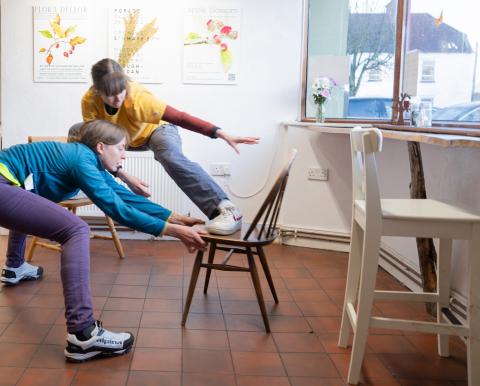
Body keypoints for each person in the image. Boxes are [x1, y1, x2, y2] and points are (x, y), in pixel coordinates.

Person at [0, 120, 207, 362]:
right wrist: (172, 231)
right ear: (100, 146)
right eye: (120, 148)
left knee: (27, 198)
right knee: (76, 229)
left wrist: (174, 217)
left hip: (8, 183)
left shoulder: (88, 160)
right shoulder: (81, 160)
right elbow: (117, 210)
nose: (124, 156)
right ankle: (83, 334)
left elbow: (123, 197)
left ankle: (15, 267)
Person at [73, 58, 259, 235]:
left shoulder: (138, 98)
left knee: (170, 156)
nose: (117, 99)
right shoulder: (89, 100)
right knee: (78, 132)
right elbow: (98, 143)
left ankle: (226, 209)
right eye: (110, 95)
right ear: (97, 91)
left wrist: (219, 133)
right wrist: (123, 174)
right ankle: (80, 182)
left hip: (156, 132)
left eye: (121, 91)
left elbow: (180, 118)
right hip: (122, 138)